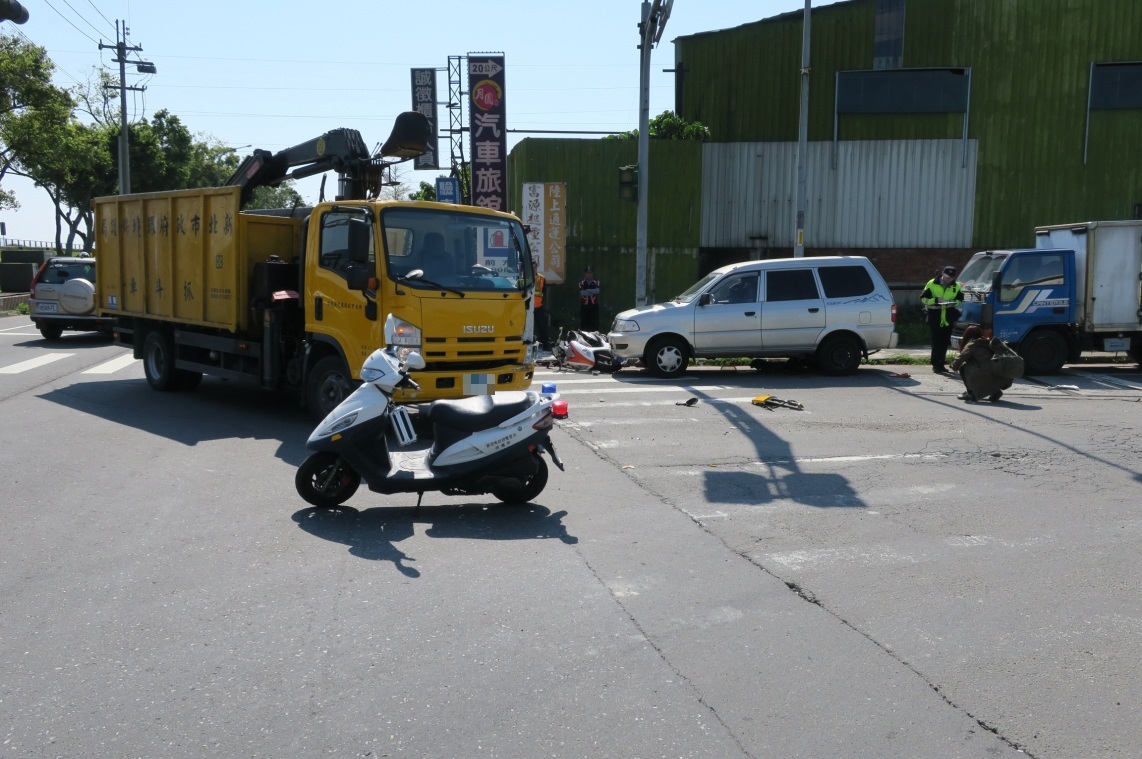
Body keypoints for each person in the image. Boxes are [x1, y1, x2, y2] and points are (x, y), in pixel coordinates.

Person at [951, 325, 1014, 402]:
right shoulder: (988, 342)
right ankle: (995, 392)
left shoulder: (972, 345)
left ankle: (971, 393)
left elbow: (961, 358)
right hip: (998, 373)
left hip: (983, 374)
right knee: (985, 368)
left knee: (963, 368)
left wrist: (954, 366)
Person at [920, 265, 964, 373]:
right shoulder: (932, 283)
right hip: (935, 317)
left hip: (948, 317)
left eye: (951, 277)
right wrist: (935, 300)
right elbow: (923, 299)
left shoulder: (956, 286)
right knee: (936, 342)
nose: (949, 279)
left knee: (945, 342)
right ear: (943, 273)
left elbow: (960, 299)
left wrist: (954, 302)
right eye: (948, 276)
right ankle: (936, 364)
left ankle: (941, 363)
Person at [532, 257, 550, 350]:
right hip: (528, 308)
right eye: (532, 267)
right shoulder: (524, 277)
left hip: (539, 307)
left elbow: (544, 293)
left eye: (535, 267)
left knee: (542, 327)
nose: (533, 269)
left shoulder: (542, 278)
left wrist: (544, 306)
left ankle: (546, 345)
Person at [578, 265, 601, 332]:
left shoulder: (596, 282)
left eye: (590, 273)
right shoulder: (581, 282)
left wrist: (587, 290)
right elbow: (582, 293)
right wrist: (592, 291)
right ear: (585, 273)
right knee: (584, 323)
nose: (589, 274)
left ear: (593, 273)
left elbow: (598, 291)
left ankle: (595, 338)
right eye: (588, 273)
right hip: (584, 306)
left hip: (594, 305)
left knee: (594, 323)